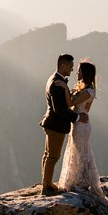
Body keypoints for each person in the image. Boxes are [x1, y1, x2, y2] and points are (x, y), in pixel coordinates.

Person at [58, 60, 108, 205]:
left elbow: (70, 103)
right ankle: (81, 179)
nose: (77, 72)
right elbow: (80, 106)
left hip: (81, 126)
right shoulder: (88, 90)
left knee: (81, 153)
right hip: (81, 123)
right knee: (80, 152)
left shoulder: (88, 91)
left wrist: (64, 88)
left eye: (79, 70)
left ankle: (80, 181)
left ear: (85, 73)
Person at [39, 54, 88, 195]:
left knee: (48, 155)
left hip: (51, 123)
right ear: (63, 66)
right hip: (56, 125)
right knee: (53, 156)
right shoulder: (57, 83)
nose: (72, 70)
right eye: (71, 66)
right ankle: (46, 187)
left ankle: (46, 183)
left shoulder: (54, 79)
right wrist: (77, 117)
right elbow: (59, 110)